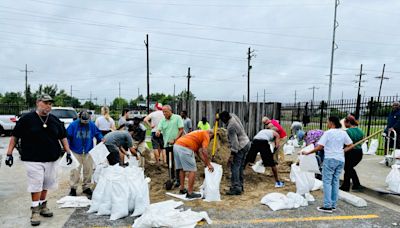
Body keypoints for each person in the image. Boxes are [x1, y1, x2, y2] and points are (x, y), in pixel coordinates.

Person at [5, 94, 73, 226]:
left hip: (52, 158)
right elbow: (15, 136)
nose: (48, 105)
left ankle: (42, 205)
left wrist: (68, 152)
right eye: (46, 102)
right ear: (38, 103)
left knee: (46, 183)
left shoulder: (54, 120)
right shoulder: (26, 119)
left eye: (50, 103)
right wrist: (9, 153)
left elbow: (63, 137)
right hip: (33, 158)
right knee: (36, 183)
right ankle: (35, 209)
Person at [302, 116, 353, 213]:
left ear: (331, 122)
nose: (327, 124)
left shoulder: (328, 133)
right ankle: (333, 204)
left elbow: (320, 147)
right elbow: (350, 144)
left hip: (330, 159)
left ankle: (327, 206)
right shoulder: (343, 133)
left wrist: (307, 152)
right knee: (335, 181)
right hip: (340, 160)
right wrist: (342, 151)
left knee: (327, 182)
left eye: (327, 122)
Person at [66, 111, 103, 197]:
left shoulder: (91, 124)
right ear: (79, 118)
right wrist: (67, 149)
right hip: (75, 151)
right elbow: (67, 137)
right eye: (83, 122)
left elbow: (97, 133)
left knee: (88, 170)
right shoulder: (73, 125)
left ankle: (86, 187)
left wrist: (101, 138)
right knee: (75, 171)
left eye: (87, 121)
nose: (85, 123)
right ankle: (73, 188)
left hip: (88, 150)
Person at [173, 130, 214, 199]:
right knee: (192, 170)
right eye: (211, 138)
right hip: (185, 147)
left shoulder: (198, 134)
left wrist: (206, 163)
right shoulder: (206, 134)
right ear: (210, 134)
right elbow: (204, 150)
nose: (209, 140)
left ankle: (182, 189)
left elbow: (199, 152)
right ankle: (190, 192)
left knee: (182, 169)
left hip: (177, 146)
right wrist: (209, 164)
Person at [219, 111, 251, 195]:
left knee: (234, 167)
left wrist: (232, 155)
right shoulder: (233, 116)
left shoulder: (231, 127)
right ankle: (240, 186)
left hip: (241, 145)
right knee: (240, 166)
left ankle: (236, 187)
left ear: (226, 118)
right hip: (247, 143)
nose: (222, 122)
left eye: (222, 120)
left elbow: (235, 143)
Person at [156, 105, 184, 187]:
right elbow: (159, 129)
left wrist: (175, 140)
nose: (164, 113)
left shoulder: (177, 118)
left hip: (177, 144)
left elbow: (181, 130)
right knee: (169, 162)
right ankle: (172, 178)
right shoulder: (163, 121)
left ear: (170, 111)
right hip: (167, 145)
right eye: (163, 112)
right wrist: (158, 132)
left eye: (166, 112)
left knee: (177, 162)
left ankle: (178, 180)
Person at [340, 115, 364, 192]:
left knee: (347, 169)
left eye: (345, 123)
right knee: (349, 168)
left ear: (348, 122)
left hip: (351, 152)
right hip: (359, 152)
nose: (344, 125)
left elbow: (345, 143)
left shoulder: (347, 132)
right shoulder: (360, 131)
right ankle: (356, 184)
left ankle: (346, 186)